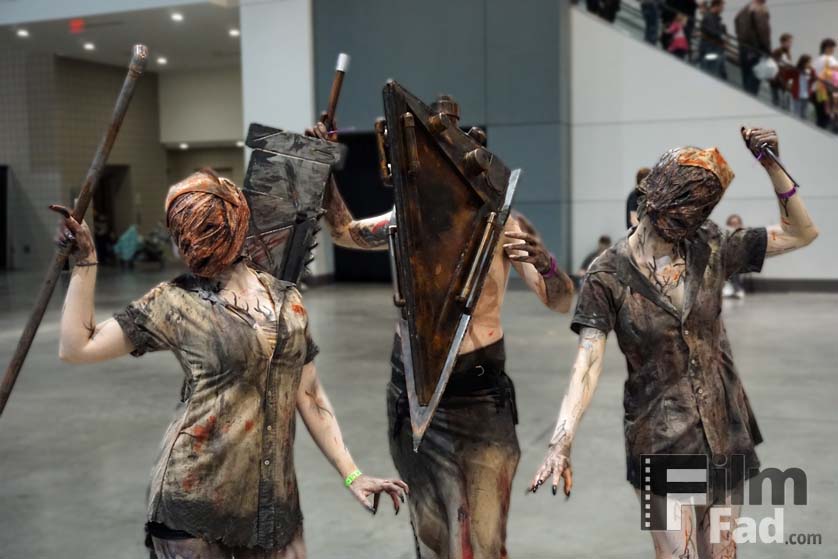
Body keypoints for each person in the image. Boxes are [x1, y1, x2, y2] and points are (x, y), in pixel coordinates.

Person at [51, 169, 407, 559]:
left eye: (205, 227)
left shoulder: (287, 302)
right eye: (183, 231)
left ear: (236, 221)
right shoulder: (174, 302)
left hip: (272, 510)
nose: (193, 241)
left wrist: (352, 474)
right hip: (192, 507)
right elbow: (77, 346)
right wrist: (86, 262)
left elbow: (309, 394)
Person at [529, 128, 818, 558]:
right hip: (662, 442)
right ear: (653, 197)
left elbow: (800, 233)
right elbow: (587, 362)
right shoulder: (608, 274)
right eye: (682, 208)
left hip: (724, 431)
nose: (686, 222)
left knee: (723, 554)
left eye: (698, 212)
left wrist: (771, 165)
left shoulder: (710, 245)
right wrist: (561, 441)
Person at [309, 114, 575, 558]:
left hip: (479, 398)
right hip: (414, 397)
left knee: (484, 542)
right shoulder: (406, 220)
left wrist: (546, 264)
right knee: (431, 534)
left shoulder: (503, 224)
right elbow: (343, 232)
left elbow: (560, 300)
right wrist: (324, 167)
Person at [735, 0, 771, 96]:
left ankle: (745, 101)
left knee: (746, 81)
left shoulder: (743, 11)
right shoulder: (759, 9)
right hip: (755, 50)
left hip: (743, 49)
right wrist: (767, 50)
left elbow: (736, 21)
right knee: (753, 82)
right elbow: (763, 31)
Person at [698, 0, 728, 79]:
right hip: (710, 48)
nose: (723, 9)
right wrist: (722, 36)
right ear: (716, 6)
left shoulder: (715, 18)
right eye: (722, 6)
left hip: (714, 48)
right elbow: (713, 32)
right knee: (710, 73)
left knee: (716, 73)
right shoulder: (709, 17)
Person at [813, 38, 838, 129]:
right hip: (829, 91)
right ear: (826, 48)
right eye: (832, 47)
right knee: (829, 116)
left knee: (820, 116)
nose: (833, 50)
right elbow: (835, 75)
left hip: (817, 90)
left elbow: (814, 73)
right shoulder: (830, 59)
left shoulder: (817, 59)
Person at [723, 214, 747, 298]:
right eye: (732, 224)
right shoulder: (724, 233)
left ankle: (737, 288)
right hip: (726, 259)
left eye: (736, 224)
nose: (734, 226)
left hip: (740, 259)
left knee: (734, 264)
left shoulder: (744, 233)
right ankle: (734, 288)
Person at [769, 33, 794, 108]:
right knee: (777, 102)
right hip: (777, 81)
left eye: (791, 42)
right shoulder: (777, 51)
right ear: (783, 42)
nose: (790, 44)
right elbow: (773, 64)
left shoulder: (788, 53)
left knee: (784, 102)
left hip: (784, 81)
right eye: (788, 42)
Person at [789, 54, 816, 120]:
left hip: (806, 95)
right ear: (803, 62)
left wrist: (812, 71)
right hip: (797, 94)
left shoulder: (811, 71)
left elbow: (814, 79)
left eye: (810, 62)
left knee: (804, 114)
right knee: (796, 113)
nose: (810, 64)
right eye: (808, 62)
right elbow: (788, 75)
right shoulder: (797, 70)